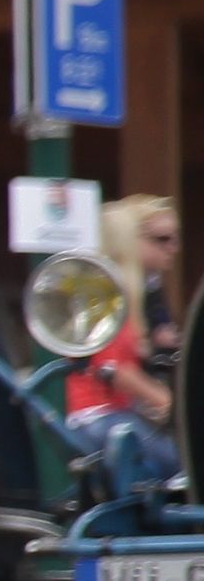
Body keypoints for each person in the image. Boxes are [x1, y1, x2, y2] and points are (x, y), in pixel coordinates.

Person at [66, 191, 182, 498]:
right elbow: (115, 370)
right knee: (183, 467)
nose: (174, 248)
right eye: (162, 239)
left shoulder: (125, 297)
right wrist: (170, 402)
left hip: (107, 418)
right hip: (103, 421)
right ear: (131, 243)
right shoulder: (108, 300)